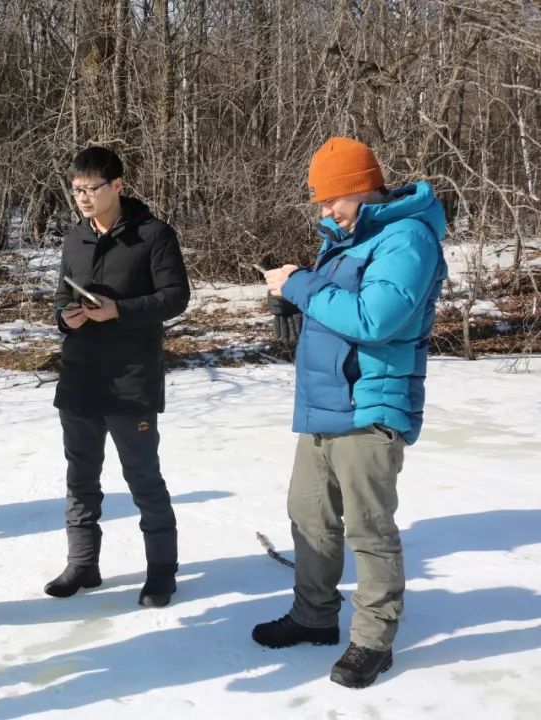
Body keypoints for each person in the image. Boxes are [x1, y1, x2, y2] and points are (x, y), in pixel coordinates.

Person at [253, 137, 448, 689]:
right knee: (308, 516)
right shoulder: (350, 238)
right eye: (320, 203)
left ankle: (373, 641)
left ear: (364, 186)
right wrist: (294, 301)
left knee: (369, 529)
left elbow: (376, 319)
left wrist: (302, 285)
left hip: (371, 407)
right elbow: (336, 308)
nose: (325, 212)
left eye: (332, 200)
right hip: (326, 403)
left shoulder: (407, 237)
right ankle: (314, 617)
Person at [45, 146, 190, 608]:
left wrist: (119, 312)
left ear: (118, 186)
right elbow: (59, 298)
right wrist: (64, 318)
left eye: (91, 189)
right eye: (76, 190)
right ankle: (83, 563)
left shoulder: (153, 235)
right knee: (80, 479)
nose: (82, 198)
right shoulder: (74, 240)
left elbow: (175, 298)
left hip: (132, 381)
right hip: (81, 379)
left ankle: (162, 572)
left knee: (144, 478)